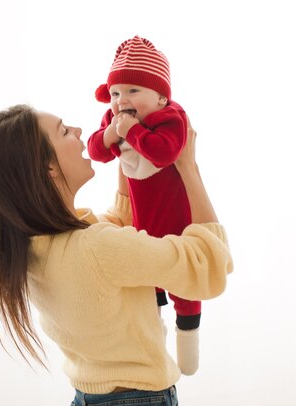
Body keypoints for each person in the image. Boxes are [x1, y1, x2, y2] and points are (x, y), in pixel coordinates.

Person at [0, 104, 232, 406]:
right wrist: (188, 167)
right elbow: (208, 264)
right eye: (64, 131)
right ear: (47, 168)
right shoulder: (96, 248)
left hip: (90, 404)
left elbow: (120, 227)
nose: (79, 132)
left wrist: (127, 151)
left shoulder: (36, 249)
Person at [87, 35, 201, 375]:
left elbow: (165, 152)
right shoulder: (114, 118)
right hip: (141, 224)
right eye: (116, 93)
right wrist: (111, 135)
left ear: (161, 96)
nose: (122, 101)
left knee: (184, 286)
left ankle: (188, 345)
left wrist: (133, 131)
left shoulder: (172, 117)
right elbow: (96, 151)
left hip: (179, 223)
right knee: (148, 293)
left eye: (133, 91)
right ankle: (156, 345)